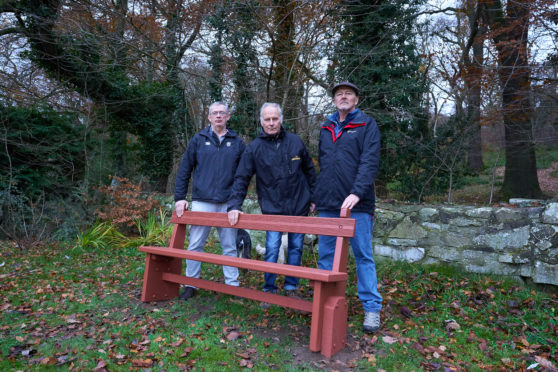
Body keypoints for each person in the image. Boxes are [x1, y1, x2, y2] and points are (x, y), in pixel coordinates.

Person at [313, 82, 383, 333]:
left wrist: (356, 193)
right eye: (339, 94)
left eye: (349, 94)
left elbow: (369, 162)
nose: (343, 97)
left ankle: (372, 309)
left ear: (356, 100)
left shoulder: (367, 125)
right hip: (329, 204)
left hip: (359, 205)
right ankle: (325, 304)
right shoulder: (325, 127)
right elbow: (324, 164)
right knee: (326, 256)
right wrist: (317, 195)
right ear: (334, 101)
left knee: (363, 256)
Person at [227, 102, 316, 296]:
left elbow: (310, 170)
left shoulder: (295, 142)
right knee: (272, 249)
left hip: (298, 206)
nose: (271, 123)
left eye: (275, 118)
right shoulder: (254, 148)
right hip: (272, 207)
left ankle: (291, 287)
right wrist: (234, 205)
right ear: (261, 121)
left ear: (281, 119)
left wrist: (313, 197)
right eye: (267, 119)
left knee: (295, 248)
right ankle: (269, 288)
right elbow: (242, 177)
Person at [174, 101, 246, 300]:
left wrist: (236, 204)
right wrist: (180, 198)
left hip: (228, 204)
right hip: (202, 201)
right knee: (195, 244)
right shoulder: (198, 140)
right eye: (215, 113)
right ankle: (190, 284)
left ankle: (233, 286)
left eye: (222, 113)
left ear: (228, 116)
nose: (218, 116)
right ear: (209, 117)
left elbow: (243, 176)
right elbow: (184, 170)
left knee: (230, 246)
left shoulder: (238, 142)